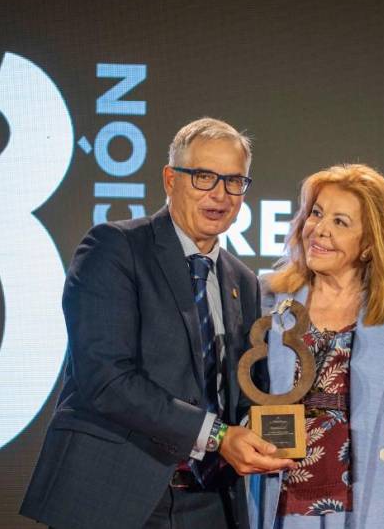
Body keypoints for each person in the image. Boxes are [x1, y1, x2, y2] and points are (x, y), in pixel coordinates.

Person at [21, 118, 294, 529]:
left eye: (234, 181)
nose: (220, 195)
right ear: (171, 179)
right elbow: (105, 379)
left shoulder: (244, 281)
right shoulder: (115, 248)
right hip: (114, 494)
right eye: (204, 177)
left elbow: (244, 390)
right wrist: (218, 436)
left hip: (211, 500)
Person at [248, 164, 384, 529]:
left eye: (340, 222)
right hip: (281, 498)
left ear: (369, 244)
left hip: (368, 502)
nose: (319, 230)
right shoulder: (267, 295)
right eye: (317, 214)